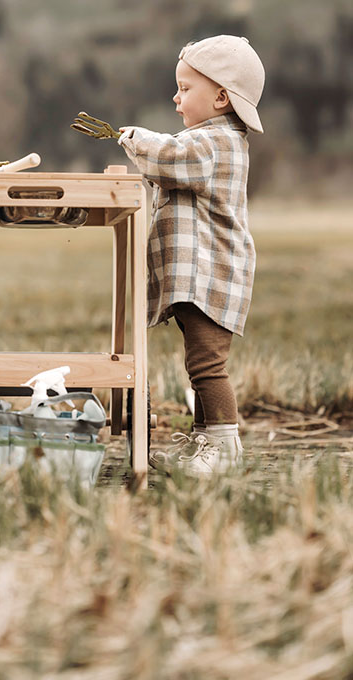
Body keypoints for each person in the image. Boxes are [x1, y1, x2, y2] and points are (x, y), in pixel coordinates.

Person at [117, 35, 265, 476]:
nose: (175, 97)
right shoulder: (206, 141)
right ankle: (206, 442)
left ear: (221, 97)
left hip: (210, 276)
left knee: (206, 365)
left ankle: (224, 446)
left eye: (185, 88)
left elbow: (167, 157)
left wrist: (134, 138)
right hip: (198, 280)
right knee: (198, 362)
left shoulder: (215, 144)